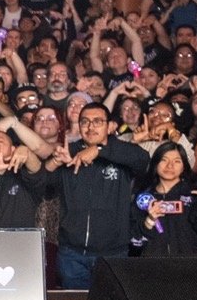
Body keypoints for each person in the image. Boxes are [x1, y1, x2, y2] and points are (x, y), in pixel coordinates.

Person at [43, 103, 148, 288]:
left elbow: (142, 159)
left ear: (110, 126)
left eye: (97, 121)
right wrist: (55, 162)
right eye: (85, 122)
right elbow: (42, 185)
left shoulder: (121, 151)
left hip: (112, 253)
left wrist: (99, 150)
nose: (90, 127)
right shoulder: (69, 151)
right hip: (72, 253)